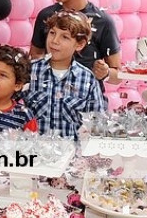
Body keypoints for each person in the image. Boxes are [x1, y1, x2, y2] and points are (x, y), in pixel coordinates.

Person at [30, 0, 121, 89]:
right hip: (49, 96)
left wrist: (106, 72)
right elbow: (35, 57)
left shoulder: (103, 21)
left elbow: (118, 75)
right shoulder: (46, 15)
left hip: (87, 98)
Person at [24, 10, 106, 139]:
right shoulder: (29, 71)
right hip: (34, 149)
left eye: (65, 37)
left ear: (80, 44)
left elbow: (97, 123)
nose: (55, 41)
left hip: (73, 150)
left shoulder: (87, 79)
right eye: (52, 33)